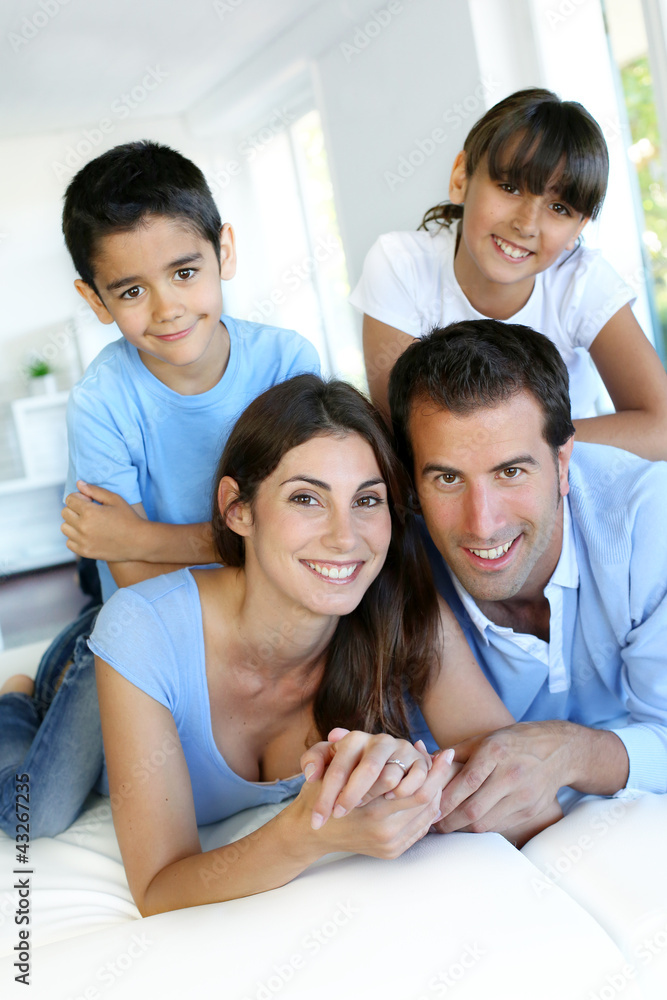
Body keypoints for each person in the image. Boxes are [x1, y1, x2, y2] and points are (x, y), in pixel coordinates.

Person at [89, 374, 558, 915]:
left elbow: (513, 785)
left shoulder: (403, 610)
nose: (344, 536)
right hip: (92, 669)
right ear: (238, 508)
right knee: (32, 798)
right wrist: (311, 833)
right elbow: (158, 893)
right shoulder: (141, 633)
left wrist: (411, 782)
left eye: (367, 500)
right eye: (307, 498)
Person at [0, 141, 319, 839]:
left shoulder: (288, 362)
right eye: (131, 291)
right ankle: (22, 695)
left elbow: (305, 529)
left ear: (223, 252)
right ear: (95, 300)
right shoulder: (102, 402)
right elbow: (135, 580)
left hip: (251, 625)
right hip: (144, 629)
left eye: (184, 271)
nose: (168, 308)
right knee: (35, 814)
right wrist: (241, 541)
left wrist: (141, 533)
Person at [384, 319, 667, 838]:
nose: (483, 522)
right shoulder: (387, 560)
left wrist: (572, 751)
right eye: (447, 478)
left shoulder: (650, 521)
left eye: (510, 472)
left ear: (562, 463)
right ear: (412, 484)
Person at [350, 88, 667, 461]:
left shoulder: (582, 282)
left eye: (558, 207)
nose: (526, 224)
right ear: (460, 178)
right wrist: (517, 445)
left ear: (578, 229)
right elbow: (403, 436)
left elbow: (659, 428)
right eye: (509, 187)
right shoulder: (400, 264)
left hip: (565, 484)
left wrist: (527, 442)